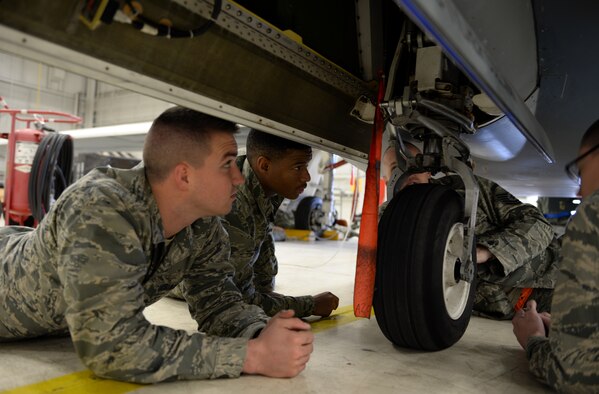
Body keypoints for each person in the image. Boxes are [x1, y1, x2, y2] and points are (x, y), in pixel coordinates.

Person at [0, 107, 314, 383]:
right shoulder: (101, 208)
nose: (239, 178)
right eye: (227, 164)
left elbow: (220, 305)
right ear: (184, 176)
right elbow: (114, 347)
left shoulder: (203, 227)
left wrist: (264, 334)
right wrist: (254, 355)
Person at [381, 142, 560, 319]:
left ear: (428, 170)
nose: (407, 172)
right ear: (387, 179)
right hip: (518, 316)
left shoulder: (466, 189)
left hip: (560, 278)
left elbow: (538, 224)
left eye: (416, 164)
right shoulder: (385, 222)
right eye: (397, 167)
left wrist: (487, 251)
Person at [188, 128, 339, 318]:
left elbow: (263, 281)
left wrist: (267, 293)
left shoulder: (262, 189)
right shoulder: (232, 205)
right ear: (264, 166)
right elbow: (238, 301)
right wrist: (310, 305)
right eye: (297, 167)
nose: (306, 177)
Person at [512, 119, 599, 392]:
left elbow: (575, 375)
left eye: (580, 172)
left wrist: (534, 339)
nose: (580, 191)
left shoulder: (592, 214)